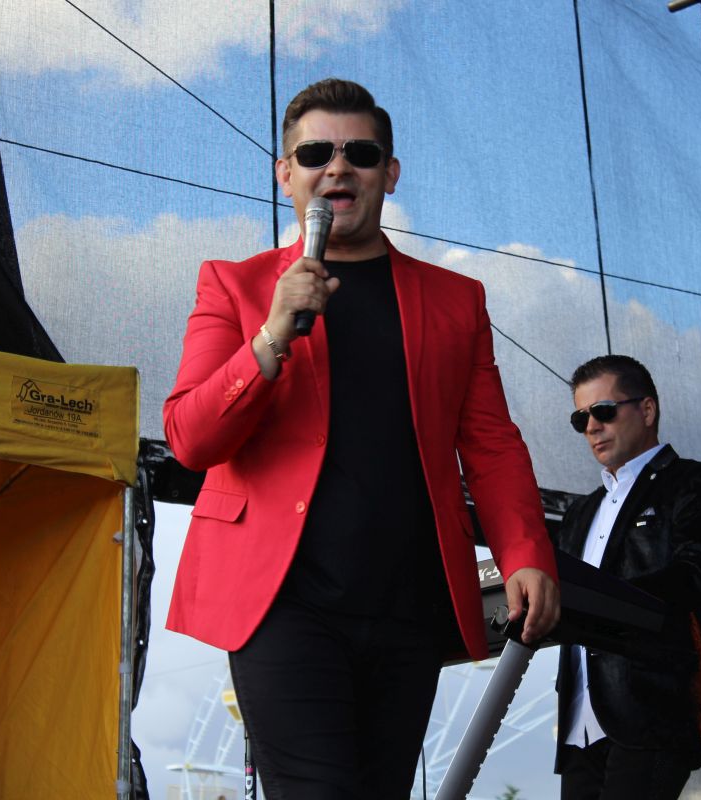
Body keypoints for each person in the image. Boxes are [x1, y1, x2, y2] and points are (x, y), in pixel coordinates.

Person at [163, 78, 559, 799]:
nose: (338, 167)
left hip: (406, 602)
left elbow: (491, 443)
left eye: (361, 153)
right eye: (316, 153)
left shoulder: (455, 300)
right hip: (280, 602)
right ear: (285, 174)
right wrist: (271, 336)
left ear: (390, 173)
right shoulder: (234, 285)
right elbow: (190, 439)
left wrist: (525, 552)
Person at [553, 355, 701, 799]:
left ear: (647, 410)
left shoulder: (697, 482)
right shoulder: (580, 512)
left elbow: (696, 576)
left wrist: (596, 602)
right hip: (580, 722)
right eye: (580, 419)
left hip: (652, 710)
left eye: (604, 411)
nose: (592, 427)